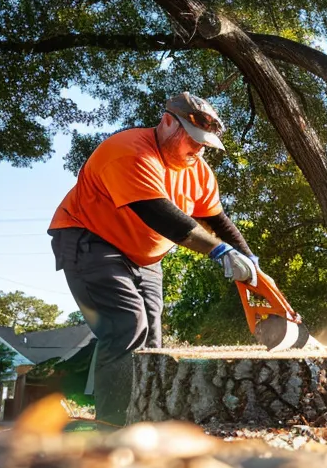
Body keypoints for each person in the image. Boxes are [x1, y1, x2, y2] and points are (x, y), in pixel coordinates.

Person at [48, 92, 259, 425]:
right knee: (127, 326)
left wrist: (249, 261)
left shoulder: (198, 171)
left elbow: (217, 220)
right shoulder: (130, 151)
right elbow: (161, 216)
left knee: (153, 342)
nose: (199, 149)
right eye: (193, 140)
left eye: (205, 145)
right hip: (91, 240)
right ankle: (114, 427)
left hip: (144, 257)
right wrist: (220, 251)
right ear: (167, 122)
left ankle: (147, 424)